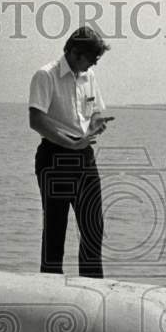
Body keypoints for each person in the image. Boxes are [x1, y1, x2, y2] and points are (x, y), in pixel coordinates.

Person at [28, 26, 112, 278]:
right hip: (54, 155)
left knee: (93, 227)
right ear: (75, 53)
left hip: (83, 155)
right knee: (55, 228)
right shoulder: (46, 75)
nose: (93, 64)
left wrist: (97, 124)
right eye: (92, 58)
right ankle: (50, 289)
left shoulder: (89, 76)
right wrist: (69, 142)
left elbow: (95, 112)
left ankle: (92, 288)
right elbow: (36, 120)